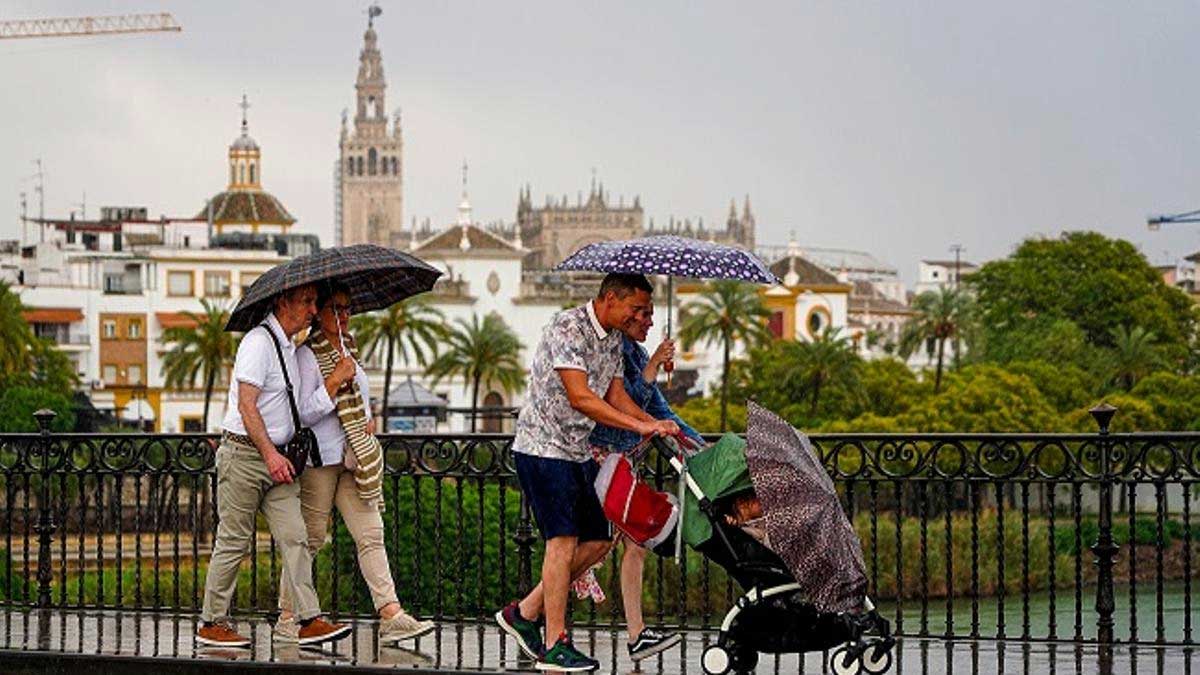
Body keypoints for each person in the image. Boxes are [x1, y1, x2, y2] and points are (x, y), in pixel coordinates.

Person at [495, 273, 680, 672]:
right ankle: (554, 644)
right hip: (543, 448)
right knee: (561, 543)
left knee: (599, 540)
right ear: (610, 299)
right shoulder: (568, 328)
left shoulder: (613, 339)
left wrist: (653, 421)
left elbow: (615, 395)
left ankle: (524, 614)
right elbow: (581, 397)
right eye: (636, 308)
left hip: (575, 451)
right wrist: (641, 427)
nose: (640, 317)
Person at [274, 281, 435, 644]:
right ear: (321, 314)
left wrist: (367, 419)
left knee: (371, 534)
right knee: (311, 540)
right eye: (337, 308)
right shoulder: (306, 356)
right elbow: (302, 413)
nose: (345, 315)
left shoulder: (351, 351)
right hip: (321, 460)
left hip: (354, 457)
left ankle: (391, 614)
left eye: (348, 308)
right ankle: (287, 616)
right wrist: (333, 382)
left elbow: (358, 399)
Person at [197, 284, 352, 648]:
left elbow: (289, 406)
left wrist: (334, 386)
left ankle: (308, 620)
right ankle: (211, 622)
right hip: (247, 457)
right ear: (283, 302)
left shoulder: (286, 346)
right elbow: (247, 406)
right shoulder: (257, 343)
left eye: (315, 302)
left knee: (297, 537)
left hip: (279, 460)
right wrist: (269, 454)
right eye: (307, 302)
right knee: (233, 541)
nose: (314, 310)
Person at [587, 305, 703, 661]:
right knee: (589, 550)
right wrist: (654, 364)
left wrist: (698, 445)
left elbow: (659, 410)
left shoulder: (634, 352)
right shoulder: (615, 349)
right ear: (629, 314)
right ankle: (527, 614)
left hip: (622, 463)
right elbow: (624, 403)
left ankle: (637, 635)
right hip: (603, 461)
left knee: (632, 545)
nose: (651, 322)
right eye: (645, 315)